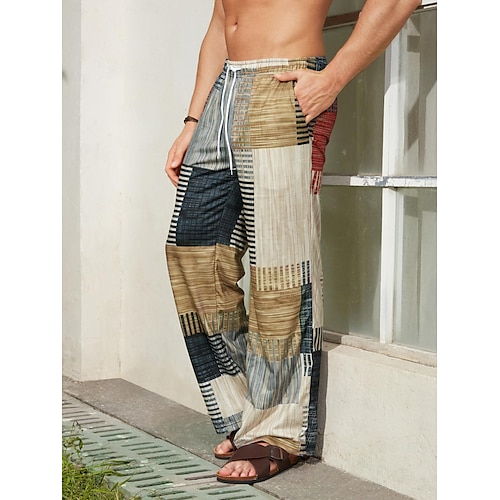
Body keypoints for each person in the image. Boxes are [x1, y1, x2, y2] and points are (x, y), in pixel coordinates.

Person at [165, 0, 420, 485]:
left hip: (284, 85)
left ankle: (278, 432)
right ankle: (247, 413)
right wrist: (193, 121)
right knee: (192, 254)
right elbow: (221, 20)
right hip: (223, 92)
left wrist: (333, 78)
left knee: (280, 270)